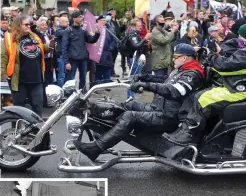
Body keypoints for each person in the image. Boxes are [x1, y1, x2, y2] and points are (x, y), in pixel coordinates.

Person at [73, 44, 204, 161]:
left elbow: (175, 90)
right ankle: (101, 129)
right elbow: (165, 80)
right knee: (129, 104)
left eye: (176, 56)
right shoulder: (182, 70)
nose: (173, 59)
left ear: (185, 58)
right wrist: (145, 76)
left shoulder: (192, 74)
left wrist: (147, 85)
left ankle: (96, 148)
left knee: (129, 116)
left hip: (168, 118)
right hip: (157, 108)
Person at [164, 22, 246, 145]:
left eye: (242, 38)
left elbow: (224, 66)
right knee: (193, 96)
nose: (239, 40)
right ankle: (184, 128)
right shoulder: (245, 51)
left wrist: (211, 55)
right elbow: (229, 55)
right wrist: (216, 51)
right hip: (229, 86)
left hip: (237, 91)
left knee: (202, 99)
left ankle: (189, 134)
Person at [1, 16, 50, 117]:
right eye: (26, 24)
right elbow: (3, 57)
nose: (29, 26)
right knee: (19, 108)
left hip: (36, 79)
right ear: (18, 25)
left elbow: (40, 48)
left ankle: (36, 131)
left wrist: (49, 47)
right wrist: (3, 74)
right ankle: (16, 130)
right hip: (19, 80)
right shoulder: (9, 38)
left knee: (37, 107)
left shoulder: (34, 36)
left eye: (30, 24)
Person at [62, 10, 101, 89]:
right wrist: (66, 62)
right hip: (72, 60)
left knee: (83, 79)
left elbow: (91, 40)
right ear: (74, 19)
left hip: (83, 59)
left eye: (81, 16)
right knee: (70, 80)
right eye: (80, 17)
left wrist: (97, 33)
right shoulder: (68, 31)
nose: (82, 18)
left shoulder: (83, 30)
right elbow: (64, 47)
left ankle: (83, 95)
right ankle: (69, 96)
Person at [123, 19, 152, 98]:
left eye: (141, 26)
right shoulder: (132, 34)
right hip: (133, 59)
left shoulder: (135, 33)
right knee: (133, 78)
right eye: (138, 26)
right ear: (133, 26)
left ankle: (131, 97)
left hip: (136, 58)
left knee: (135, 78)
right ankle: (130, 97)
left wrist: (145, 42)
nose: (141, 27)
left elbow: (138, 44)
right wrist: (145, 39)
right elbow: (135, 46)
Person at [37, 17, 55, 107]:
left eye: (45, 25)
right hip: (41, 61)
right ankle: (43, 100)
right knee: (43, 82)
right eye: (42, 25)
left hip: (49, 61)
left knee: (49, 81)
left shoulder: (48, 35)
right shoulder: (37, 36)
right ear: (38, 26)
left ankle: (48, 99)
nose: (44, 27)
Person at [95, 15, 118, 85]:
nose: (103, 21)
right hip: (98, 52)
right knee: (98, 68)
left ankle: (106, 83)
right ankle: (97, 83)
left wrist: (110, 48)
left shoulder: (109, 28)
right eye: (101, 20)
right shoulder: (95, 29)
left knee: (107, 68)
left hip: (107, 52)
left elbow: (114, 39)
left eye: (104, 20)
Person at [55, 16, 69, 87]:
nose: (68, 23)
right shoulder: (58, 30)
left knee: (67, 75)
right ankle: (60, 91)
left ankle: (66, 90)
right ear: (61, 23)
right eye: (66, 21)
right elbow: (64, 33)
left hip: (67, 55)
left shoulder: (67, 29)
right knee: (61, 75)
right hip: (61, 56)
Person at [107, 8, 121, 78]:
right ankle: (110, 72)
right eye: (111, 12)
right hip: (111, 43)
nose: (112, 13)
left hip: (116, 42)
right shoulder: (109, 21)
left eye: (113, 12)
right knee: (110, 58)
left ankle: (112, 71)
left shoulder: (117, 21)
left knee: (114, 58)